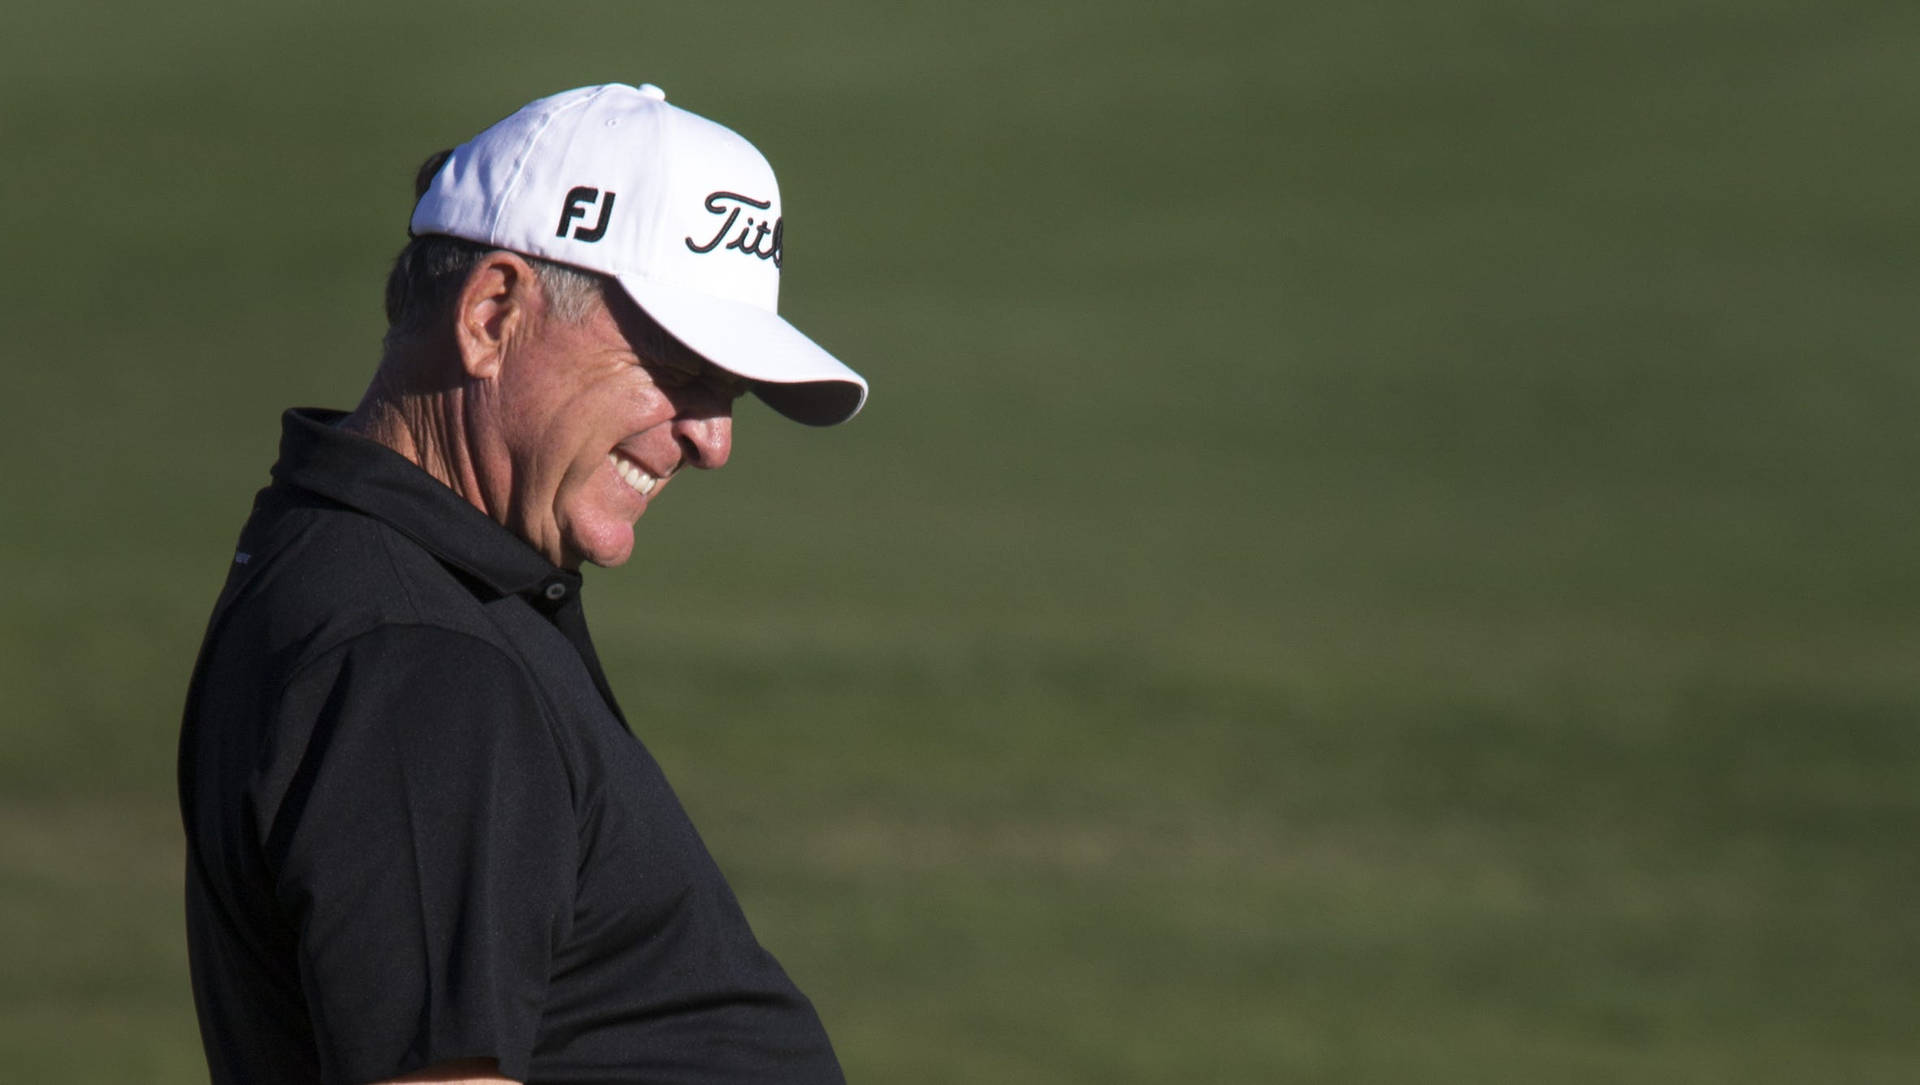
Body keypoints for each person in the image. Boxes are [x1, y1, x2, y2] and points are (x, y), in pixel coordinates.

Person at [177, 83, 866, 1085]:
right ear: (492, 312)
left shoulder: (378, 574)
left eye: (733, 392)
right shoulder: (416, 657)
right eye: (681, 365)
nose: (713, 438)